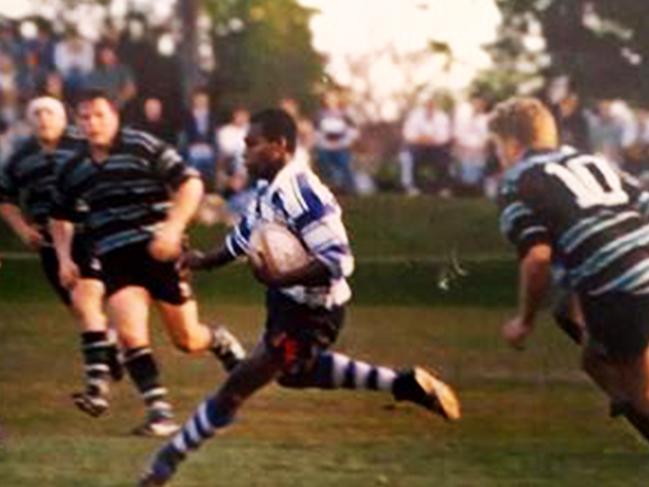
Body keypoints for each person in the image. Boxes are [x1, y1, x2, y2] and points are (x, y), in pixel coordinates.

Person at [138, 108, 461, 486]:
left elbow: (339, 259)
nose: (244, 153)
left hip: (312, 314)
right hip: (286, 302)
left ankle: (165, 463)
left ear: (280, 146)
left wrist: (283, 274)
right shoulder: (268, 188)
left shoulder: (300, 192)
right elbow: (247, 233)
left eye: (252, 144)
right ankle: (405, 384)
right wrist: (204, 261)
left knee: (238, 385)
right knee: (295, 375)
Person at [51, 89, 246, 436]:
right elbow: (60, 215)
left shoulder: (142, 145)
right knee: (128, 333)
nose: (92, 123)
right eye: (85, 117)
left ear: (115, 116)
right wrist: (64, 257)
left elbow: (190, 183)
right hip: (115, 256)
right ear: (77, 122)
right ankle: (160, 413)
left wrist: (172, 228)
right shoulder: (73, 166)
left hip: (159, 251)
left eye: (99, 115)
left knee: (186, 339)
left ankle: (218, 340)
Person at [492, 97, 649, 440]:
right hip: (636, 265)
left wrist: (524, 322)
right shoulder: (592, 161)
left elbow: (537, 259)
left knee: (640, 392)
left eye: (497, 146)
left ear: (510, 144)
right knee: (594, 361)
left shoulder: (517, 183)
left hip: (619, 287)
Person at [0, 96, 123, 415]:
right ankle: (110, 344)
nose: (43, 118)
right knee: (83, 312)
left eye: (49, 112)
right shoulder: (20, 158)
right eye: (37, 113)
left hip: (88, 234)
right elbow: (5, 198)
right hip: (49, 244)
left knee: (87, 303)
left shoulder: (83, 148)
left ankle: (96, 387)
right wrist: (22, 229)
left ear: (63, 117)